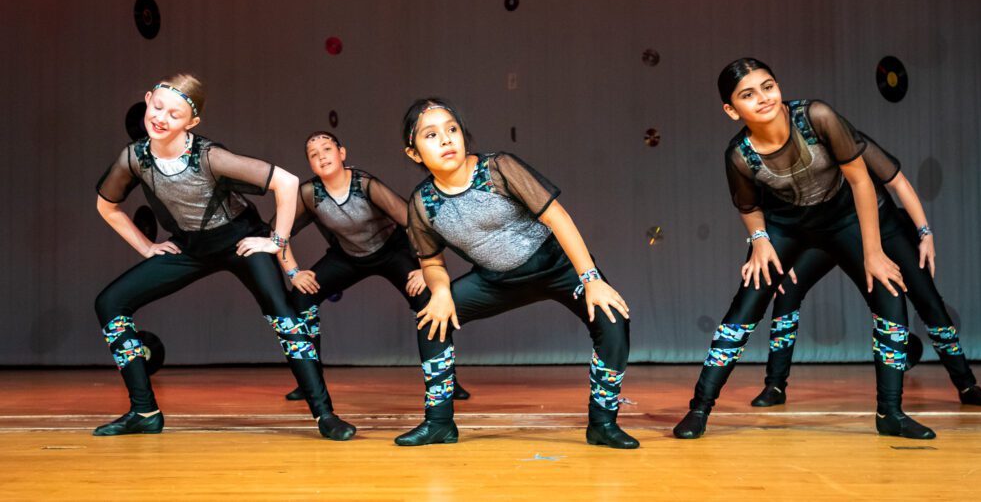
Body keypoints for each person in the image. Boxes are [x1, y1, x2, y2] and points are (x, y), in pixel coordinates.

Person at [674, 58, 934, 441]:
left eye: (767, 86)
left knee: (889, 292)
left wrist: (873, 252)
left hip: (842, 218)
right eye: (748, 95)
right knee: (746, 305)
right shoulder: (739, 155)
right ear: (731, 110)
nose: (762, 98)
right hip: (786, 226)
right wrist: (760, 242)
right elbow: (748, 207)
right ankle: (699, 409)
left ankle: (891, 413)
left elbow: (862, 182)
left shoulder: (816, 117)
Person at [94, 74, 354, 440]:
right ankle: (144, 411)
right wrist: (147, 247)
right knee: (110, 303)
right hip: (191, 247)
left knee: (285, 319)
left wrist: (275, 241)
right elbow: (107, 206)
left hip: (240, 240)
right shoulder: (135, 158)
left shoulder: (208, 156)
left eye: (175, 114)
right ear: (148, 99)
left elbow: (287, 183)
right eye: (157, 107)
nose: (161, 118)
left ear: (192, 122)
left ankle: (325, 416)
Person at [393, 98, 638, 448]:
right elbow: (431, 262)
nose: (446, 140)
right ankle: (439, 424)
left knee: (613, 319)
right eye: (431, 135)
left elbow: (558, 218)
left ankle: (602, 423)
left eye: (452, 130)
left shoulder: (498, 169)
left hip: (556, 267)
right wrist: (442, 293)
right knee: (431, 318)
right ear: (414, 154)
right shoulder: (422, 203)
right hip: (498, 281)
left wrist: (591, 279)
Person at [751, 133, 981, 408]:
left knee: (927, 299)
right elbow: (767, 212)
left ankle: (966, 385)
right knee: (787, 288)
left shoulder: (845, 139)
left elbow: (899, 183)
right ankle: (774, 385)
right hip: (835, 233)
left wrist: (925, 233)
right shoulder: (787, 161)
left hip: (886, 229)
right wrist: (775, 255)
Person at [277, 131, 470, 402]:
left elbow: (412, 220)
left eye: (327, 149)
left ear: (342, 154)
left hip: (392, 251)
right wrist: (293, 272)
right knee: (299, 298)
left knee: (429, 299)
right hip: (347, 256)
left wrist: (426, 268)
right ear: (309, 164)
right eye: (313, 154)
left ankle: (447, 381)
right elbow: (277, 233)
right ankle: (308, 380)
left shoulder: (364, 184)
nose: (321, 156)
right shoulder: (309, 194)